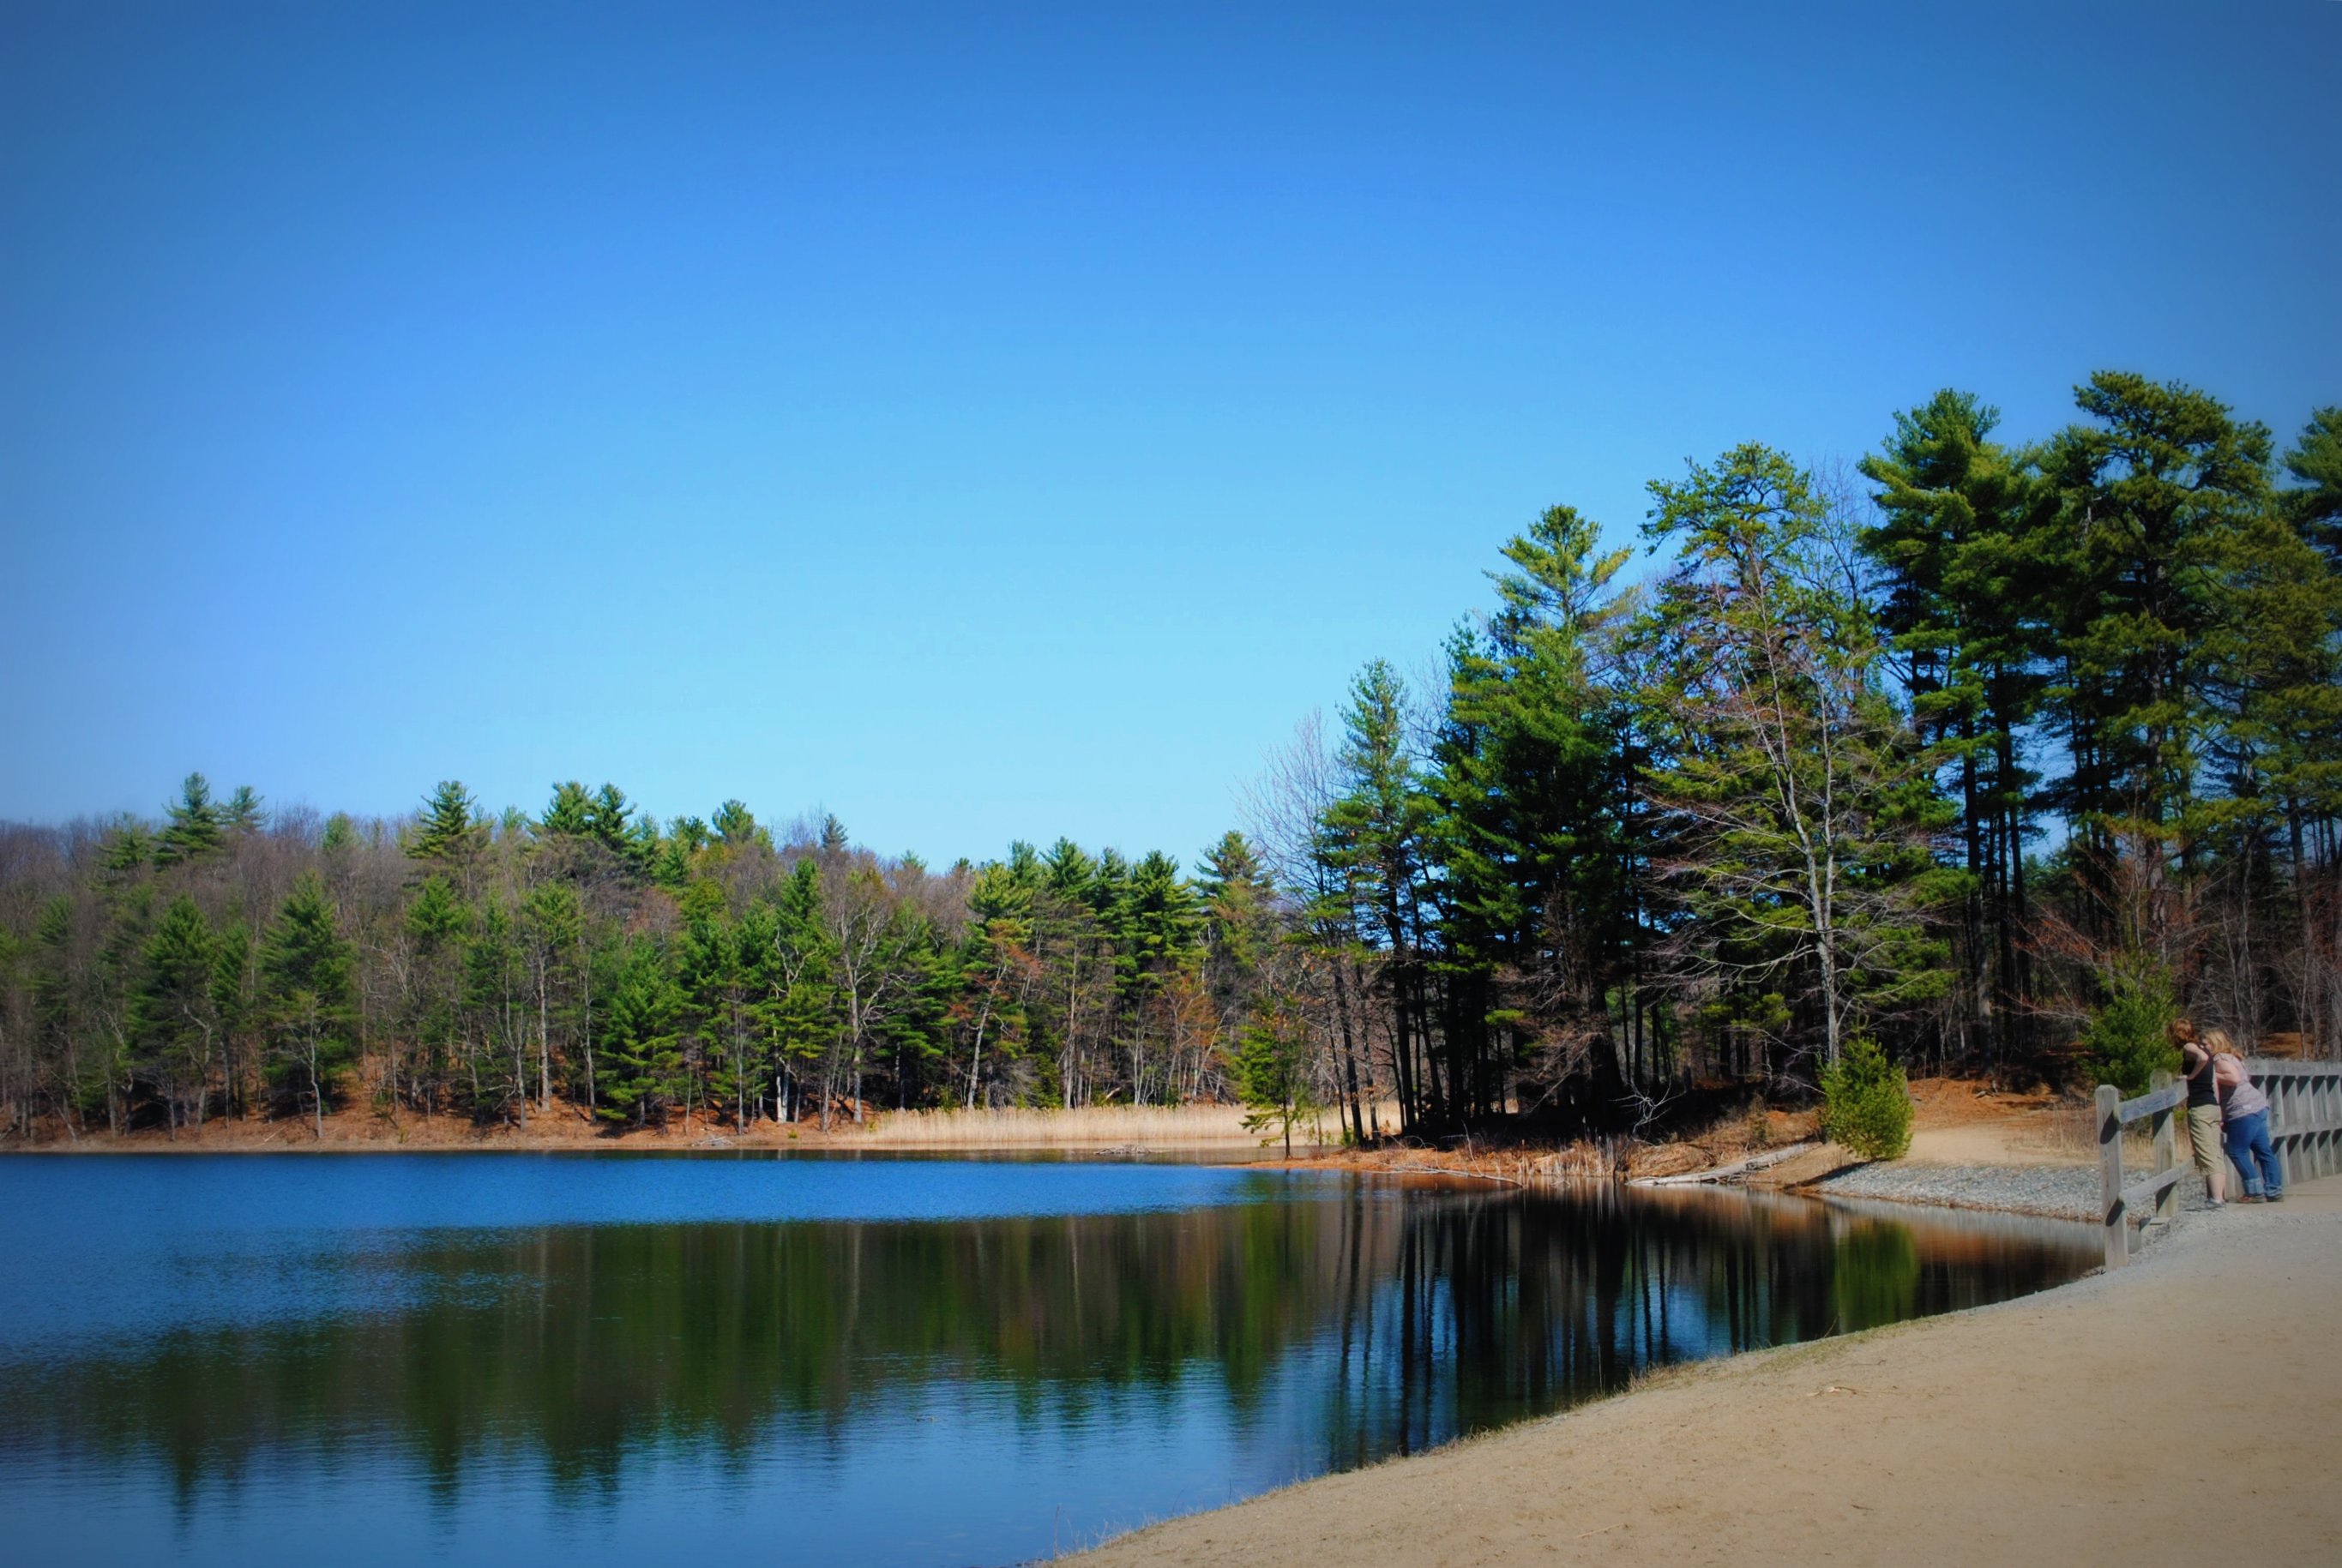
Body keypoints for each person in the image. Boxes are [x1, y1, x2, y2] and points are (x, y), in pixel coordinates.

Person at [2207, 1029, 2283, 1203]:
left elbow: (2233, 1078)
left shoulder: (2219, 1059)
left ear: (2215, 1043)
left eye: (2206, 1043)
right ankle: (2274, 1189)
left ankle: (2254, 1192)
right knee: (2263, 1151)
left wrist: (2210, 1074)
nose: (2204, 1047)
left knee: (2236, 1151)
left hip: (2242, 1110)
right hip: (2257, 1106)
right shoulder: (2232, 1057)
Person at [2174, 1024, 2228, 1207]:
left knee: (2206, 1153)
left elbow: (2202, 1059)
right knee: (2215, 1153)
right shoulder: (2206, 1047)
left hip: (2200, 1107)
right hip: (2212, 1104)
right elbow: (2212, 1079)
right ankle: (2219, 1197)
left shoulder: (2190, 1047)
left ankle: (2216, 1199)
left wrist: (2190, 1076)